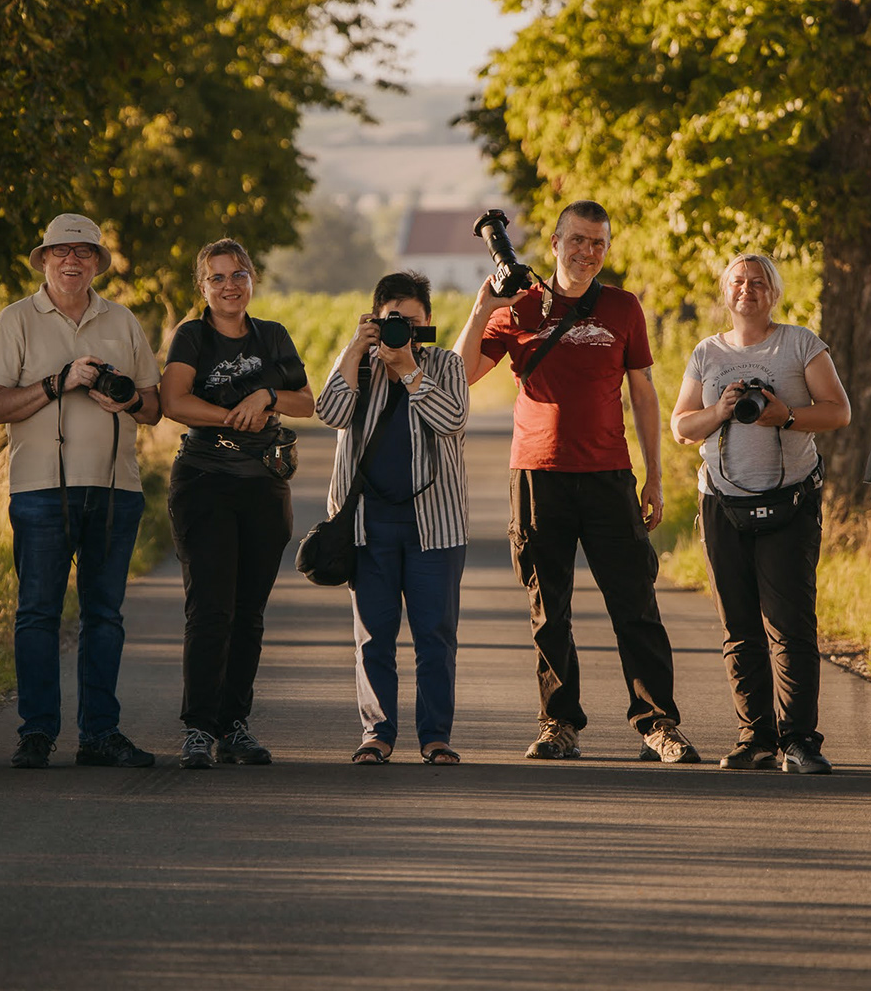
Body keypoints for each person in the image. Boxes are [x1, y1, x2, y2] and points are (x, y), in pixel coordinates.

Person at [454, 200, 697, 763]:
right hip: (538, 477)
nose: (588, 252)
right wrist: (482, 307)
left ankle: (658, 723)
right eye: (578, 240)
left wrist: (654, 478)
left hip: (610, 475)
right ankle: (559, 722)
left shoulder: (622, 307)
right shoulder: (518, 306)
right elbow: (463, 375)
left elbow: (643, 394)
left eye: (599, 243)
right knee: (549, 608)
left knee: (635, 603)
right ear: (556, 242)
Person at [0, 214, 162, 770]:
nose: (72, 261)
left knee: (105, 617)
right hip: (38, 490)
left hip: (114, 489)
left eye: (84, 252)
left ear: (97, 263)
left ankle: (99, 735)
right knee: (38, 614)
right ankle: (36, 732)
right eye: (62, 252)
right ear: (45, 260)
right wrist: (59, 383)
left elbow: (153, 407)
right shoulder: (16, 321)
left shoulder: (123, 321)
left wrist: (124, 401)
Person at [670, 253, 852, 773]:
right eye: (737, 282)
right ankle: (755, 738)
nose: (746, 289)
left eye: (758, 282)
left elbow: (839, 412)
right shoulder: (706, 352)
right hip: (721, 504)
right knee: (738, 624)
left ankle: (800, 740)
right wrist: (721, 411)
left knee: (790, 623)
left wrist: (785, 415)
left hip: (791, 500)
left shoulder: (799, 343)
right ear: (724, 293)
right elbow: (682, 426)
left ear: (774, 293)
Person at [161, 240, 313, 770]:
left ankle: (235, 727)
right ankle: (199, 728)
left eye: (238, 275)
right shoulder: (192, 335)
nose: (229, 285)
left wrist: (265, 398)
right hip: (204, 480)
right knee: (210, 610)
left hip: (264, 487)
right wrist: (234, 416)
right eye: (217, 277)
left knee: (249, 614)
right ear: (202, 287)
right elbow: (174, 401)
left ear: (252, 279)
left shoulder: (272, 335)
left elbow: (306, 401)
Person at [318, 272, 472, 765]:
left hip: (436, 524)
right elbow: (329, 412)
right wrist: (353, 351)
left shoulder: (445, 363)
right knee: (373, 638)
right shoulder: (357, 364)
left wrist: (409, 371)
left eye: (410, 321)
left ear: (427, 322)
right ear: (374, 321)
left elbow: (452, 420)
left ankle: (435, 736)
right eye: (391, 321)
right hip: (367, 525)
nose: (401, 329)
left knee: (436, 638)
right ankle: (377, 734)